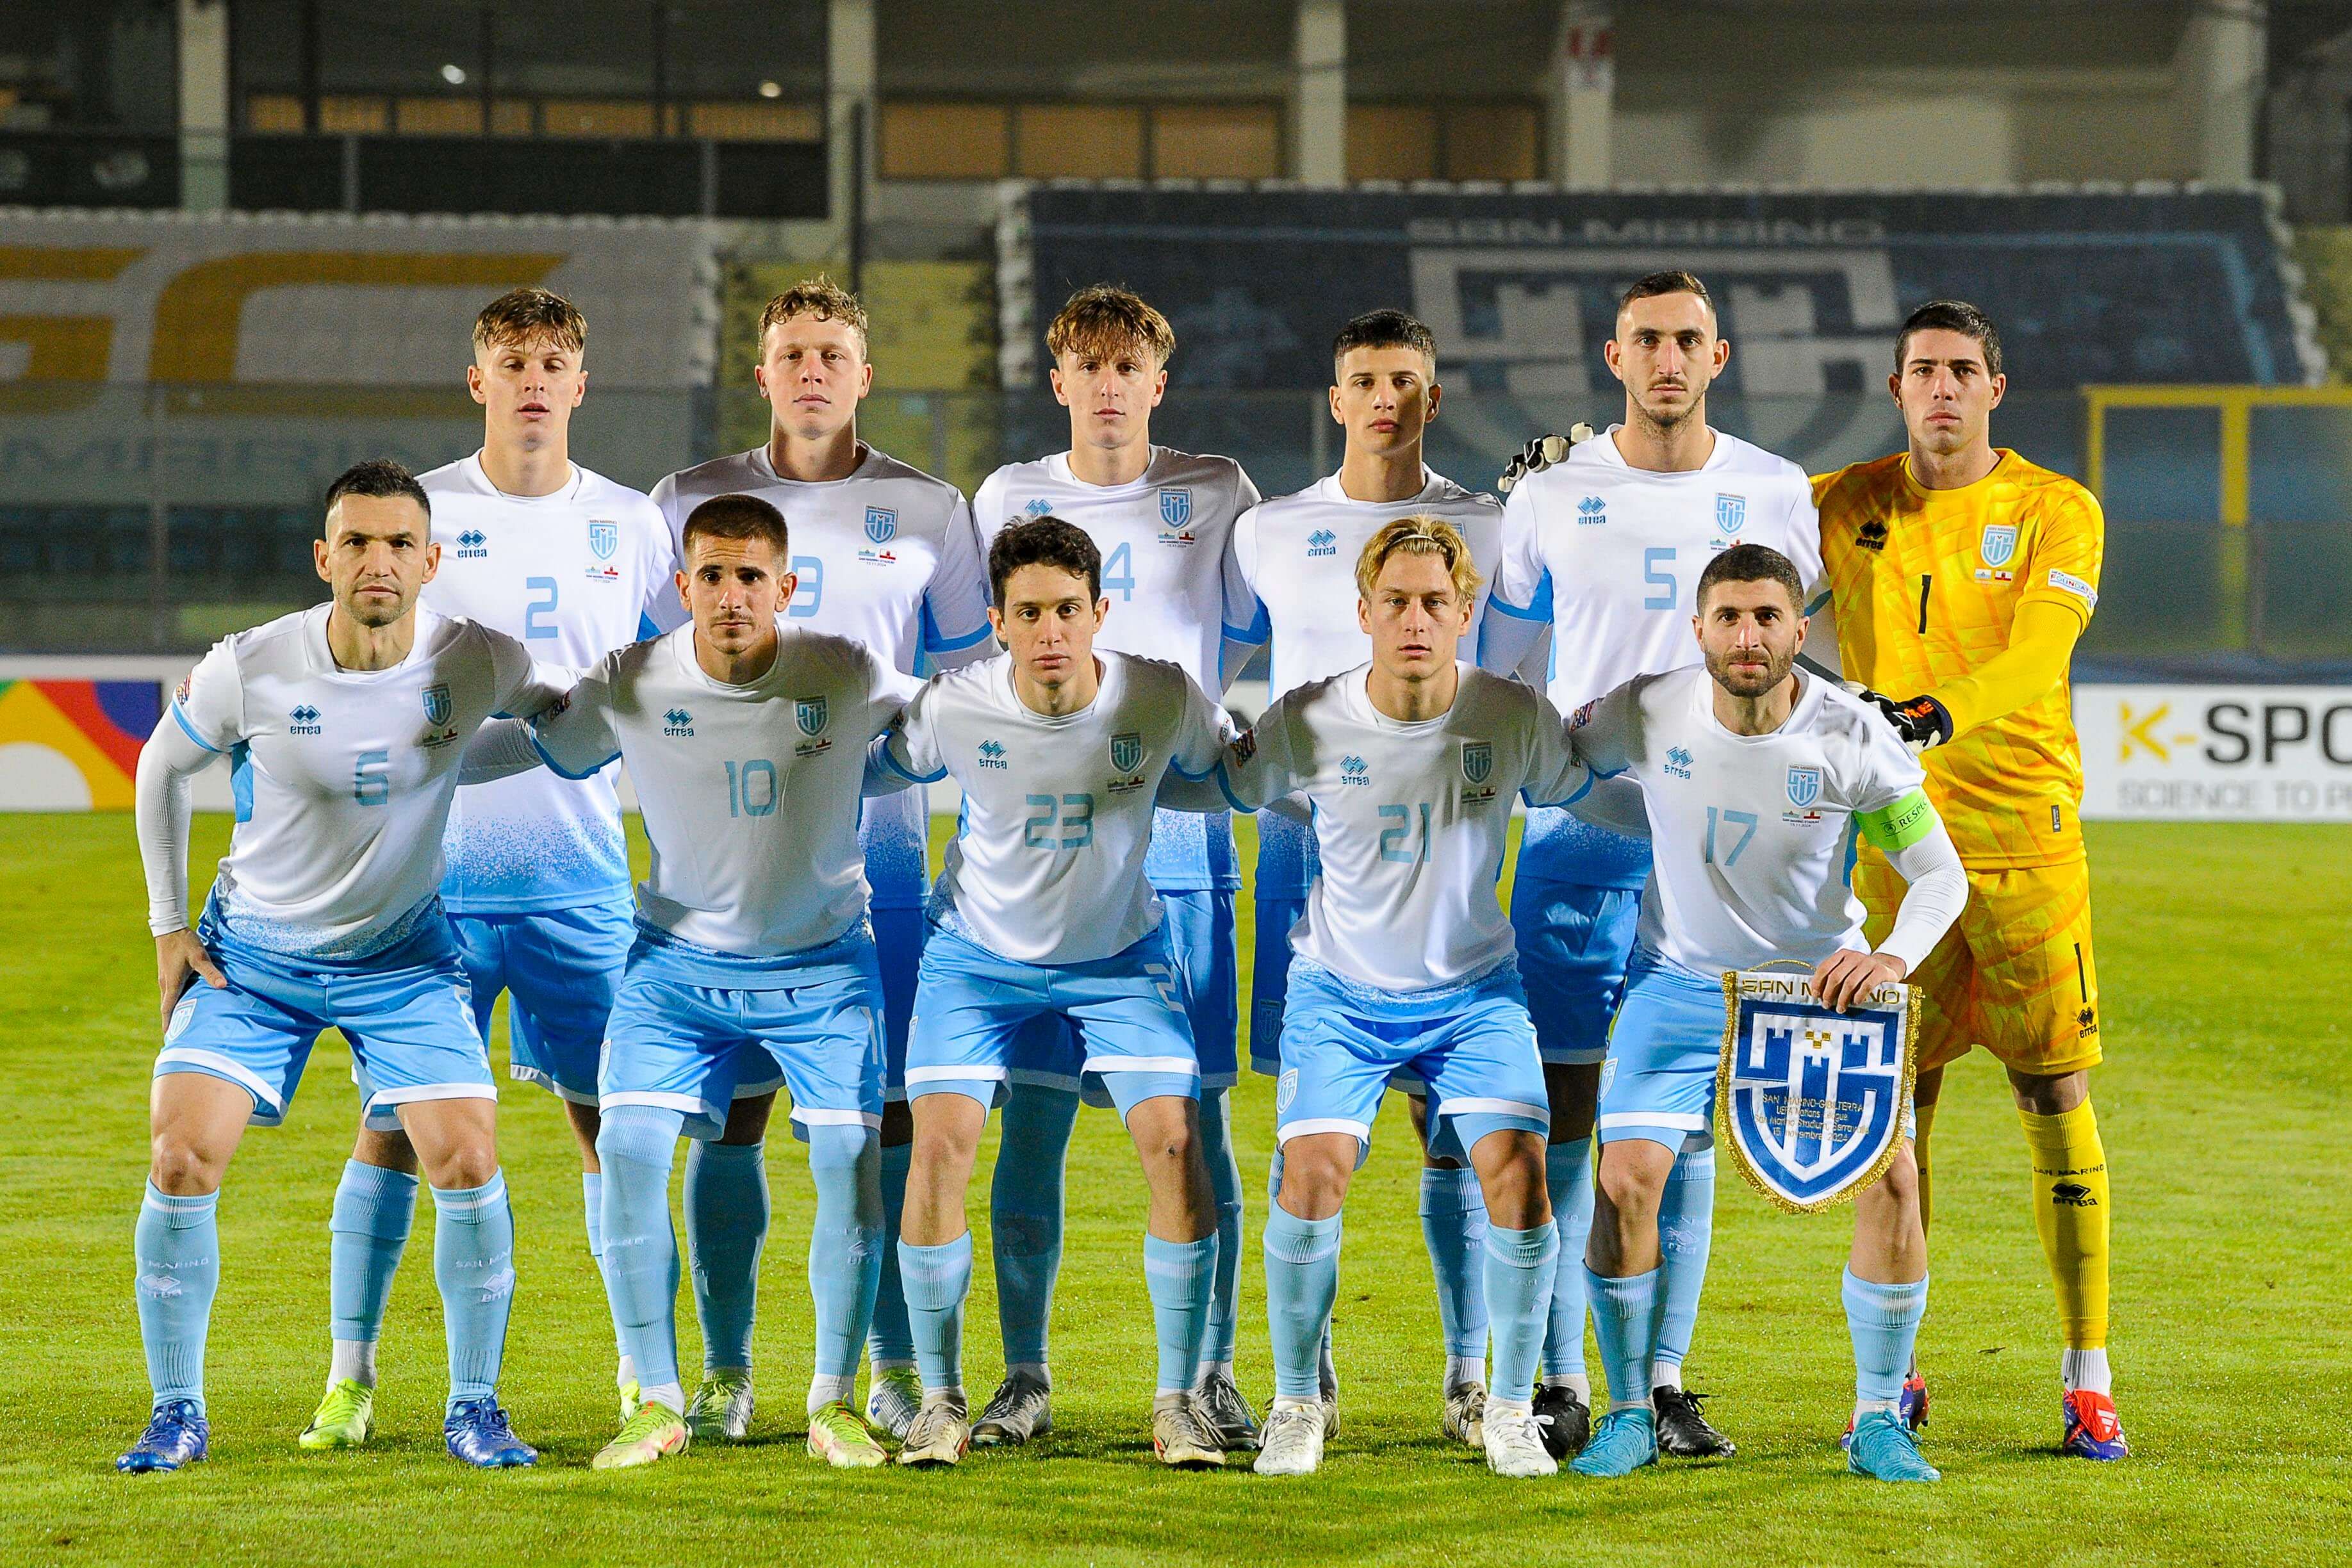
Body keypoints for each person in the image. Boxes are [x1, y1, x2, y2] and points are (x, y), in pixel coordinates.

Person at [120, 459, 566, 1473]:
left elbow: (557, 726)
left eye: (400, 543)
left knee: (468, 1157)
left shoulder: (481, 658)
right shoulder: (254, 665)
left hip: (404, 960)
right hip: (252, 963)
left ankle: (477, 1408)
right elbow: (162, 766)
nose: (379, 561)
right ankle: (176, 1411)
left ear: (432, 561)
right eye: (357, 543)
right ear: (324, 558)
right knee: (181, 1155)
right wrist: (166, 926)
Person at [467, 493, 921, 1471]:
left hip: (824, 967)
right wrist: (403, 757)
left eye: (750, 576)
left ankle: (833, 1403)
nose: (729, 595)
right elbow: (542, 744)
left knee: (852, 1162)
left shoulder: (843, 669)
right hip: (674, 970)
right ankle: (657, 1400)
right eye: (710, 576)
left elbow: (939, 732)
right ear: (681, 587)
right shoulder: (633, 680)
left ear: (785, 587)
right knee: (628, 1147)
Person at [302, 287, 676, 1450]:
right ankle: (350, 1379)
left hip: (581, 880)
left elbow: (660, 683)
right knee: (393, 1127)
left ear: (579, 383)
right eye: (510, 360)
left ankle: (643, 1376)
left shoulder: (635, 524)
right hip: (433, 888)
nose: (531, 379)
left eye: (552, 361)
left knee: (616, 1130)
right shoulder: (417, 513)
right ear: (479, 381)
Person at [1477, 270, 1829, 1458]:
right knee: (1566, 1103)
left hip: (1717, 851)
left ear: (1718, 358)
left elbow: (1787, 649)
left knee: (1680, 1115)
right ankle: (1565, 1377)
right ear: (1612, 355)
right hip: (1580, 837)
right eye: (1647, 341)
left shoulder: (1775, 490)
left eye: (1689, 340)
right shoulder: (1551, 495)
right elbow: (1509, 658)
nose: (1668, 359)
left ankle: (1665, 1378)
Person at [650, 276, 992, 1443]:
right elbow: (664, 683)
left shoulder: (932, 509)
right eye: (791, 352)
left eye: (831, 354)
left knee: (883, 1123)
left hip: (881, 874)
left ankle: (891, 1367)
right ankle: (726, 1374)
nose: (811, 371)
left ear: (863, 374)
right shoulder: (690, 501)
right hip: (722, 877)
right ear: (762, 373)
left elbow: (958, 693)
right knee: (728, 1122)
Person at [1200, 517, 1608, 1479]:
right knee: (1314, 1177)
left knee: (1516, 1172)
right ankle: (1299, 1402)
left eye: (1435, 602)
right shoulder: (1307, 717)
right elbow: (1225, 782)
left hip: (1475, 993)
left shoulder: (1512, 714)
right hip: (1340, 994)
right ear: (1364, 612)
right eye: (1397, 602)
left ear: (1467, 612)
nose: (1415, 619)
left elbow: (1581, 784)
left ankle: (1507, 1407)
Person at [1563, 543, 1966, 1484]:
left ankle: (1877, 1417)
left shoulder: (1854, 734)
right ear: (1699, 628)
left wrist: (1891, 956)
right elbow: (1565, 766)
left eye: (1769, 618)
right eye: (1731, 617)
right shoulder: (1647, 708)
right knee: (1624, 1181)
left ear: (1799, 630)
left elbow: (1939, 875)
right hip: (1681, 986)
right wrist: (1652, 813)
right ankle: (1628, 1411)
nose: (1749, 636)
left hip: (1814, 999)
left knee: (1896, 1184)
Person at [1813, 300, 2125, 1460]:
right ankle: (1898, 1375)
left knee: (2054, 1100)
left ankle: (2087, 1370)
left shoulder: (2055, 510)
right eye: (1922, 371)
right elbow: (1714, 531)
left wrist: (1940, 713)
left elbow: (2041, 652)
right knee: (1899, 1118)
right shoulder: (1842, 505)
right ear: (1895, 388)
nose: (1942, 388)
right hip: (1897, 861)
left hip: (2030, 852)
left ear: (1998, 386)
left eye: (1962, 370)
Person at [963, 286, 1264, 1447]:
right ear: (1058, 382)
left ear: (1157, 380)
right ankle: (1024, 1377)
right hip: (1035, 866)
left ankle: (1214, 1368)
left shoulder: (1218, 491)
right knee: (1030, 1121)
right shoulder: (1009, 497)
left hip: (1178, 854)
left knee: (1198, 1125)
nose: (1105, 383)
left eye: (1126, 364)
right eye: (1085, 365)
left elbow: (1236, 641)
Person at [868, 517, 1235, 1469]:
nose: (1050, 631)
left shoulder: (1159, 694)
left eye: (1068, 609)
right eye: (1028, 613)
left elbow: (1231, 772)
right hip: (978, 960)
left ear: (1100, 611)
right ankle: (942, 1400)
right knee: (940, 1143)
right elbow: (871, 769)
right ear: (996, 620)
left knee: (1175, 1138)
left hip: (1118, 956)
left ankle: (1179, 1402)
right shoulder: (955, 705)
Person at [1228, 308, 1509, 1446]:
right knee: (1313, 1136)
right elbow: (1224, 655)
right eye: (1363, 381)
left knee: (1459, 1131)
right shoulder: (1270, 529)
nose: (1384, 398)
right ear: (1334, 398)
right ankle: (1313, 1374)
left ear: (1432, 398)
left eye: (1404, 381)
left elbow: (1520, 666)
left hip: (1447, 847)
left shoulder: (1485, 525)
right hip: (1307, 841)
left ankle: (1466, 1371)